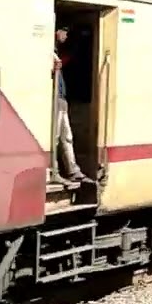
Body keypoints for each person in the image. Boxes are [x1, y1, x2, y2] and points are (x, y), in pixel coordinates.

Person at [52, 26, 92, 187]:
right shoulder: (49, 51)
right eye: (64, 31)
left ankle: (72, 171)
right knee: (55, 137)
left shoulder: (56, 51)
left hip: (61, 98)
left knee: (66, 136)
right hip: (56, 98)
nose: (66, 35)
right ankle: (54, 171)